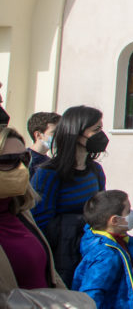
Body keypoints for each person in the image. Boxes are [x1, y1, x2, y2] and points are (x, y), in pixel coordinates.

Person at [0, 124, 86, 309]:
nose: (19, 168)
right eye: (7, 161)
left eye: (23, 159)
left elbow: (48, 274)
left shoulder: (20, 211)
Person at [31, 105, 108, 287]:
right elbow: (40, 223)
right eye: (96, 129)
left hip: (90, 256)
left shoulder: (95, 170)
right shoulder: (48, 174)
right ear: (76, 132)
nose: (101, 135)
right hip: (61, 262)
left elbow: (101, 210)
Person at [26, 111, 60, 177]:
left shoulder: (49, 161)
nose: (59, 136)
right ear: (38, 135)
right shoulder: (26, 159)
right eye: (54, 132)